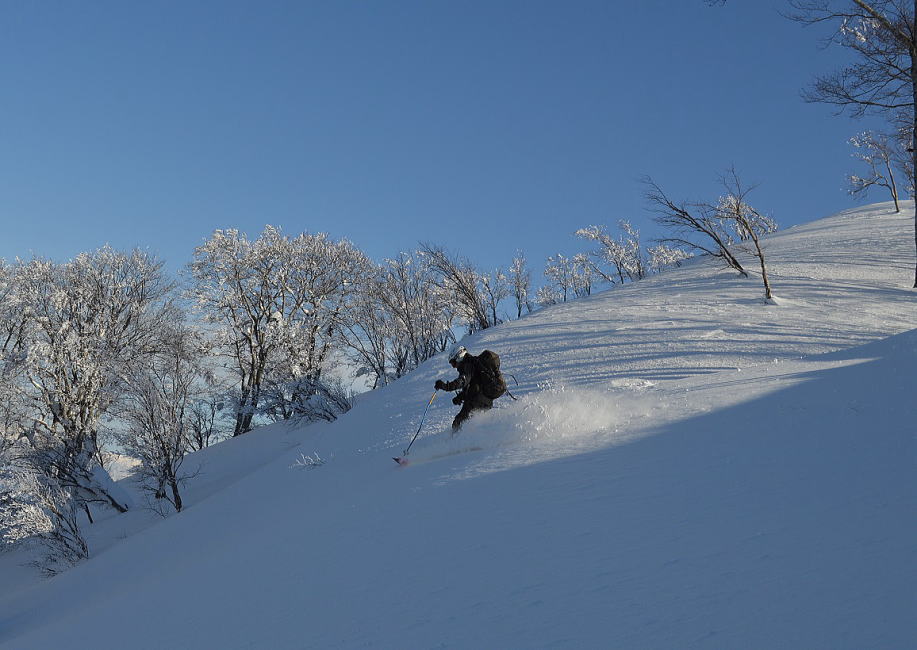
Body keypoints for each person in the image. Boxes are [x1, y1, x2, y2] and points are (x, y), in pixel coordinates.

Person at [434, 345, 493, 432]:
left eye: (453, 363)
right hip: (483, 399)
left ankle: (459, 443)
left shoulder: (468, 366)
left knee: (458, 423)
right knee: (470, 424)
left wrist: (446, 386)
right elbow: (473, 385)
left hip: (477, 400)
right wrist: (460, 397)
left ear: (459, 357)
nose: (454, 366)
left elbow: (462, 381)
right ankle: (477, 441)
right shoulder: (472, 364)